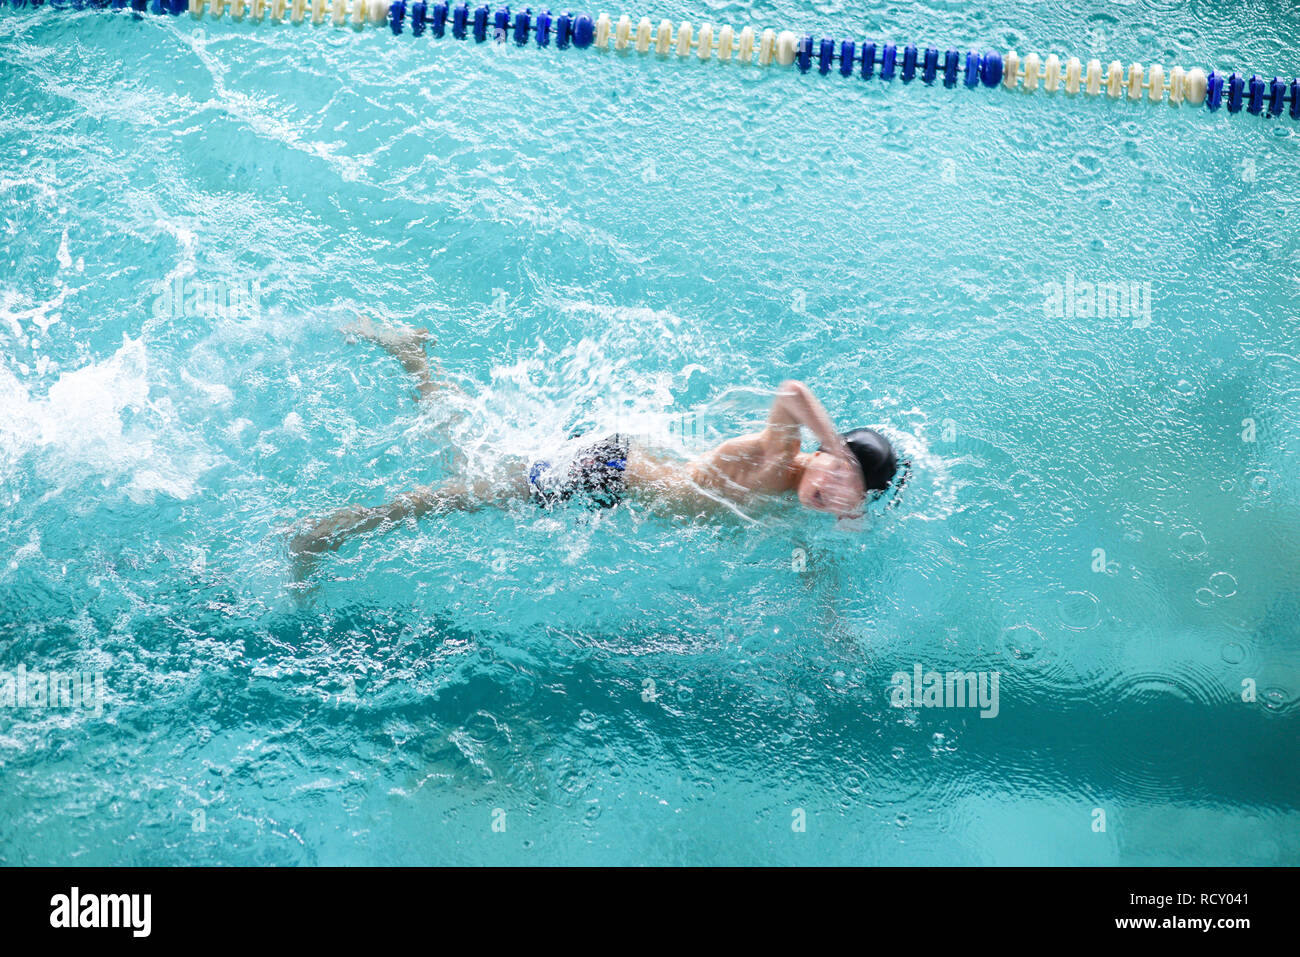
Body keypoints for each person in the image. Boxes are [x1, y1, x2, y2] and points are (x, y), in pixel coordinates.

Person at [288, 319, 903, 558]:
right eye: (835, 472)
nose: (831, 490)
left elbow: (803, 552)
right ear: (825, 452)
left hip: (613, 479)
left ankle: (413, 356)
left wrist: (828, 618)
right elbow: (793, 393)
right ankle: (327, 532)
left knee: (465, 462)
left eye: (848, 492)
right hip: (601, 469)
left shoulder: (795, 489)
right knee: (455, 490)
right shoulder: (779, 460)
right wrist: (845, 454)